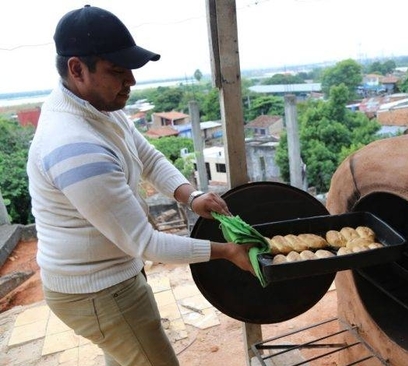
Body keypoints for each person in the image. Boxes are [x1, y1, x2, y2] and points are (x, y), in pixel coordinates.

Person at [26, 5, 255, 366]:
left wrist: (190, 196)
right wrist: (227, 251)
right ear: (76, 69)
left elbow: (146, 157)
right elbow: (146, 243)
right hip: (98, 291)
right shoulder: (73, 144)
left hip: (110, 277)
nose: (130, 81)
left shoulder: (100, 107)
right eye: (117, 71)